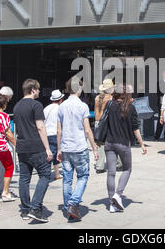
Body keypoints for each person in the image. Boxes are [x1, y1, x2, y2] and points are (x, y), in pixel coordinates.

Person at [56, 76, 99, 221]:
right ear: (79, 89)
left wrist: (59, 148)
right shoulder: (83, 106)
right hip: (79, 146)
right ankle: (73, 203)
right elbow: (87, 130)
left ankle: (68, 205)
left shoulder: (61, 106)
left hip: (66, 147)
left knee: (67, 179)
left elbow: (59, 131)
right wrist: (94, 147)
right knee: (83, 176)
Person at [13, 79, 53, 223]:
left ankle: (25, 209)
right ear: (33, 90)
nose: (40, 91)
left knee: (24, 178)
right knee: (45, 175)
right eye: (38, 89)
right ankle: (35, 208)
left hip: (22, 146)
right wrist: (47, 148)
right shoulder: (36, 105)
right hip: (36, 146)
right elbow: (40, 127)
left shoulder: (17, 106)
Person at [104, 84, 147, 213]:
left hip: (109, 142)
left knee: (111, 173)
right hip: (123, 143)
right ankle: (118, 194)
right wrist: (142, 144)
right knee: (127, 169)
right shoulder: (130, 108)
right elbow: (135, 128)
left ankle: (112, 203)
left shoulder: (109, 105)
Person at [94, 79, 122, 174]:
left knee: (100, 145)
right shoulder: (112, 98)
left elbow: (96, 113)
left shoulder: (97, 98)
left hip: (99, 122)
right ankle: (118, 164)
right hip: (110, 123)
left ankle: (99, 166)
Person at [43, 89, 65, 180]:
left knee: (49, 154)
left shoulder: (46, 108)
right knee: (57, 154)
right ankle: (49, 174)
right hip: (55, 133)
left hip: (46, 134)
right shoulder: (60, 109)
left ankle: (55, 173)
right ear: (60, 99)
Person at [154, 70, 165, 141]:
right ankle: (157, 136)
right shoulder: (159, 82)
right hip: (161, 102)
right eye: (164, 73)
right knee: (161, 119)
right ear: (162, 74)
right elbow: (159, 92)